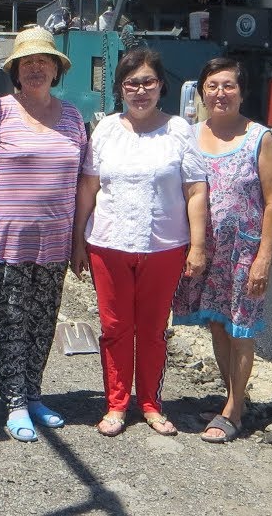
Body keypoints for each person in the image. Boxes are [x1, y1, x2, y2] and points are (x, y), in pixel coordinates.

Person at [72, 48, 209, 438]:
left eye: (148, 82)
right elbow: (89, 187)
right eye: (132, 83)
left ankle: (150, 403)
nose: (140, 90)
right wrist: (78, 239)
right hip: (109, 244)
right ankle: (116, 403)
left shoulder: (180, 131)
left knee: (151, 330)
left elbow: (195, 190)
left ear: (161, 86)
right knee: (115, 327)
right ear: (120, 89)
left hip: (164, 246)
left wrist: (196, 246)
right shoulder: (106, 130)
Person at [0, 26, 89, 443]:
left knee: (42, 322)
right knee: (10, 320)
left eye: (44, 61)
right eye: (28, 62)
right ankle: (14, 403)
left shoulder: (73, 117)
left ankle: (34, 394)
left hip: (56, 241)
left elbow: (82, 181)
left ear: (56, 70)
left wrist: (79, 241)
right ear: (17, 71)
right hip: (7, 239)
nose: (36, 68)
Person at [171, 57, 272, 444]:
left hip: (243, 254)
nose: (221, 93)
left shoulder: (258, 138)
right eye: (213, 86)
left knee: (241, 328)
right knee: (218, 322)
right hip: (205, 251)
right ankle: (232, 399)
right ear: (202, 91)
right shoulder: (188, 135)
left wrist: (264, 257)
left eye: (229, 86)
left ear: (241, 92)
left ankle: (234, 410)